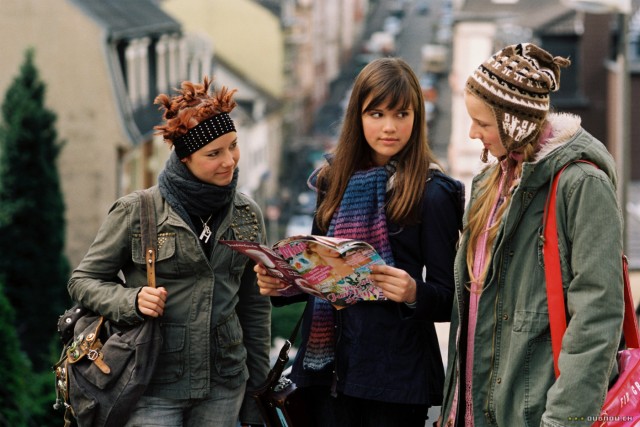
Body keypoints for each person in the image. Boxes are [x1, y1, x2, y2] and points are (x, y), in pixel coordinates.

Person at [255, 57, 465, 426]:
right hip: (327, 373)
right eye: (376, 113)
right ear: (358, 116)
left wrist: (414, 292)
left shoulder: (433, 193)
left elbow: (451, 298)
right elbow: (327, 275)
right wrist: (283, 284)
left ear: (417, 118)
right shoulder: (331, 182)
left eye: (402, 114)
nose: (390, 127)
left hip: (394, 380)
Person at [438, 43, 625, 426]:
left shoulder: (581, 184)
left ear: (515, 122)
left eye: (483, 123)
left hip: (537, 415)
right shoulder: (490, 181)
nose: (473, 133)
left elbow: (598, 316)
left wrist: (565, 420)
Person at [67, 77, 271, 427]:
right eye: (214, 154)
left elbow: (254, 306)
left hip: (224, 383)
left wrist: (258, 389)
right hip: (152, 384)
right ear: (186, 156)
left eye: (233, 146)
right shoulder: (137, 211)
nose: (230, 161)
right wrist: (130, 301)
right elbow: (83, 280)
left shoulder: (247, 215)